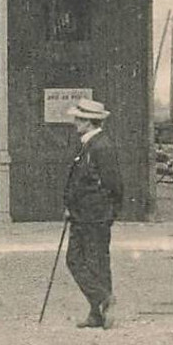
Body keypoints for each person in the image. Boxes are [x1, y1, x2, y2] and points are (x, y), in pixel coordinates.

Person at [62, 98, 124, 329]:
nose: (75, 122)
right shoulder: (89, 144)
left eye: (79, 119)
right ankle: (98, 312)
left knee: (82, 260)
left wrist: (108, 212)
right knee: (90, 261)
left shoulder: (101, 147)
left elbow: (114, 185)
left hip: (94, 216)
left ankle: (102, 301)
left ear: (89, 121)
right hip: (82, 215)